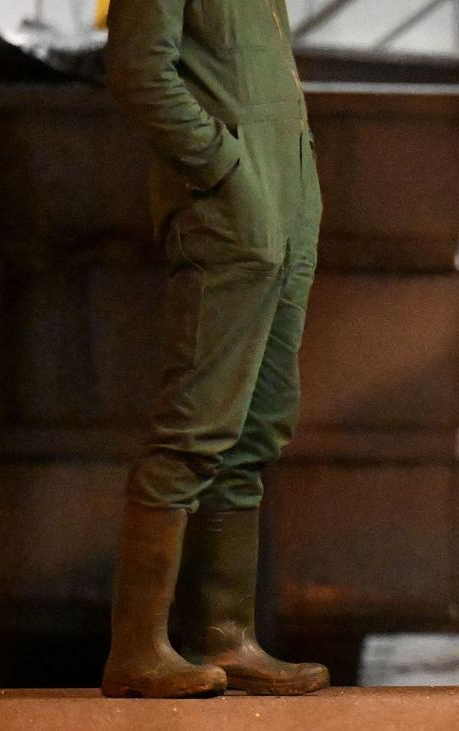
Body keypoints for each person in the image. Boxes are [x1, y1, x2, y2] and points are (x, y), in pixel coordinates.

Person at [101, 0, 327, 698]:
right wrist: (223, 168)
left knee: (257, 428)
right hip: (231, 210)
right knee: (194, 428)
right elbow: (139, 71)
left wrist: (290, 186)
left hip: (286, 206)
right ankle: (138, 649)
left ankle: (225, 636)